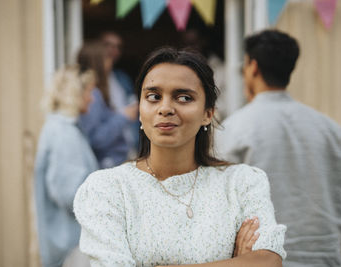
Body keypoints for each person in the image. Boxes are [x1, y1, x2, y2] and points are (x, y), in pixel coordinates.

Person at [73, 47, 286, 266]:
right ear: (140, 109)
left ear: (208, 113)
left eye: (183, 98)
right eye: (153, 97)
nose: (165, 108)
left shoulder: (242, 183)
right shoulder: (108, 189)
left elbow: (269, 261)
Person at [214, 30, 341, 266]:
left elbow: (218, 205)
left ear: (253, 66)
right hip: (327, 259)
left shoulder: (234, 130)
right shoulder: (330, 129)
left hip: (265, 261)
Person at [34, 66, 98, 267]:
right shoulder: (64, 135)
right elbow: (67, 193)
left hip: (67, 242)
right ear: (75, 94)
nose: (91, 98)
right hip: (71, 246)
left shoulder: (59, 129)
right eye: (88, 92)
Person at [77, 41, 138, 168]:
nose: (111, 62)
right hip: (106, 164)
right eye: (107, 58)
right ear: (97, 62)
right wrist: (123, 116)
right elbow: (95, 139)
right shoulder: (92, 95)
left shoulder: (101, 89)